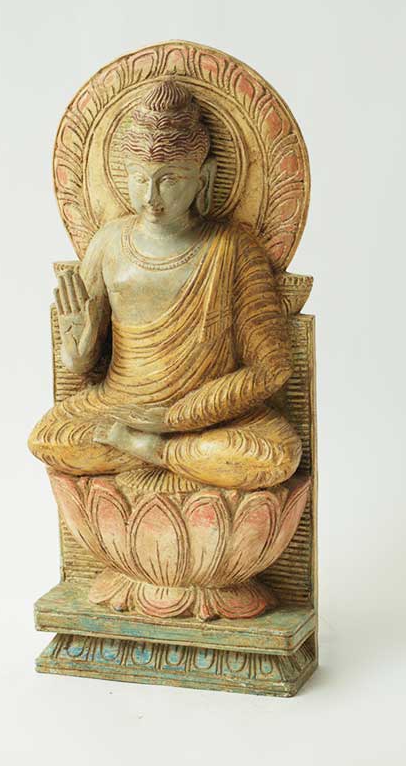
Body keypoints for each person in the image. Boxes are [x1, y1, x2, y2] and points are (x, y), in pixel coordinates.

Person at [28, 80, 302, 490]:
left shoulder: (233, 248)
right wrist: (78, 353)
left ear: (203, 177)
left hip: (210, 417)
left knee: (278, 453)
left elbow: (271, 367)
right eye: (140, 179)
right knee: (48, 439)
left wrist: (177, 418)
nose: (151, 198)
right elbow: (83, 363)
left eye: (169, 179)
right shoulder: (108, 243)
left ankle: (157, 452)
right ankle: (184, 457)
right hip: (120, 407)